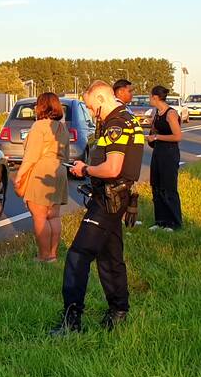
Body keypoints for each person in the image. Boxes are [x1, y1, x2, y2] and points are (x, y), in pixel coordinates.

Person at [52, 80, 144, 336]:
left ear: (102, 99)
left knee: (77, 256)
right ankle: (118, 313)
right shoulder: (129, 118)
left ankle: (72, 322)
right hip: (118, 196)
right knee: (110, 257)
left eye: (93, 108)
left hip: (108, 199)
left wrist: (85, 169)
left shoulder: (115, 124)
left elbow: (113, 168)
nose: (93, 113)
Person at [14, 92, 68, 262]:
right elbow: (66, 155)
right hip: (59, 170)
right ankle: (53, 254)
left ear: (41, 107)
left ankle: (43, 256)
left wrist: (19, 176)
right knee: (54, 216)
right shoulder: (62, 127)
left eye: (37, 105)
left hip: (41, 170)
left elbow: (31, 156)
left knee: (40, 216)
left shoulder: (39, 126)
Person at [147, 85, 183, 231]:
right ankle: (160, 221)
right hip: (158, 152)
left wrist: (157, 136)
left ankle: (174, 222)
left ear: (156, 97)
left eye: (150, 97)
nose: (149, 99)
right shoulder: (157, 113)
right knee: (156, 186)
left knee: (169, 188)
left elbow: (178, 136)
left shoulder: (170, 114)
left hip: (169, 153)